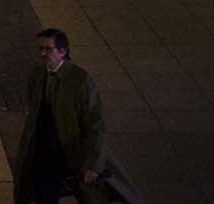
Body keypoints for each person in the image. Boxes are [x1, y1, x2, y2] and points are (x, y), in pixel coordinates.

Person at [13, 29, 138, 203]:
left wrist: (93, 164)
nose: (42, 53)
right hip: (44, 150)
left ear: (63, 51)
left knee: (87, 194)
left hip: (70, 151)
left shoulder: (80, 81)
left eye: (48, 49)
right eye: (40, 48)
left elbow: (94, 125)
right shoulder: (36, 73)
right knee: (44, 195)